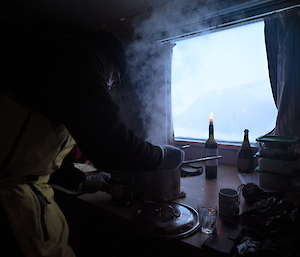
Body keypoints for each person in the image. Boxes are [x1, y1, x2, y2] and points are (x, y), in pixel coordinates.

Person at [0, 13, 184, 257]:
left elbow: (36, 162)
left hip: (26, 186)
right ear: (103, 57)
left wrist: (80, 179)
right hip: (10, 197)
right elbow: (110, 144)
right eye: (114, 77)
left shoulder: (58, 69)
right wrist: (161, 155)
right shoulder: (78, 55)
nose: (108, 85)